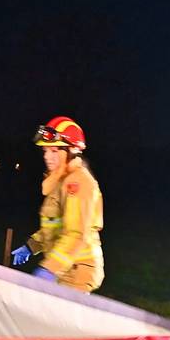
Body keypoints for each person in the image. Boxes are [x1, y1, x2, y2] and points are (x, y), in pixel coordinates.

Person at [10, 116, 105, 292]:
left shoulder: (78, 182)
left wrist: (49, 269)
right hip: (64, 269)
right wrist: (31, 247)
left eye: (54, 151)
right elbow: (54, 227)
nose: (47, 156)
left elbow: (76, 234)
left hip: (77, 271)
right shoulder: (60, 181)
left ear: (71, 152)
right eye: (45, 151)